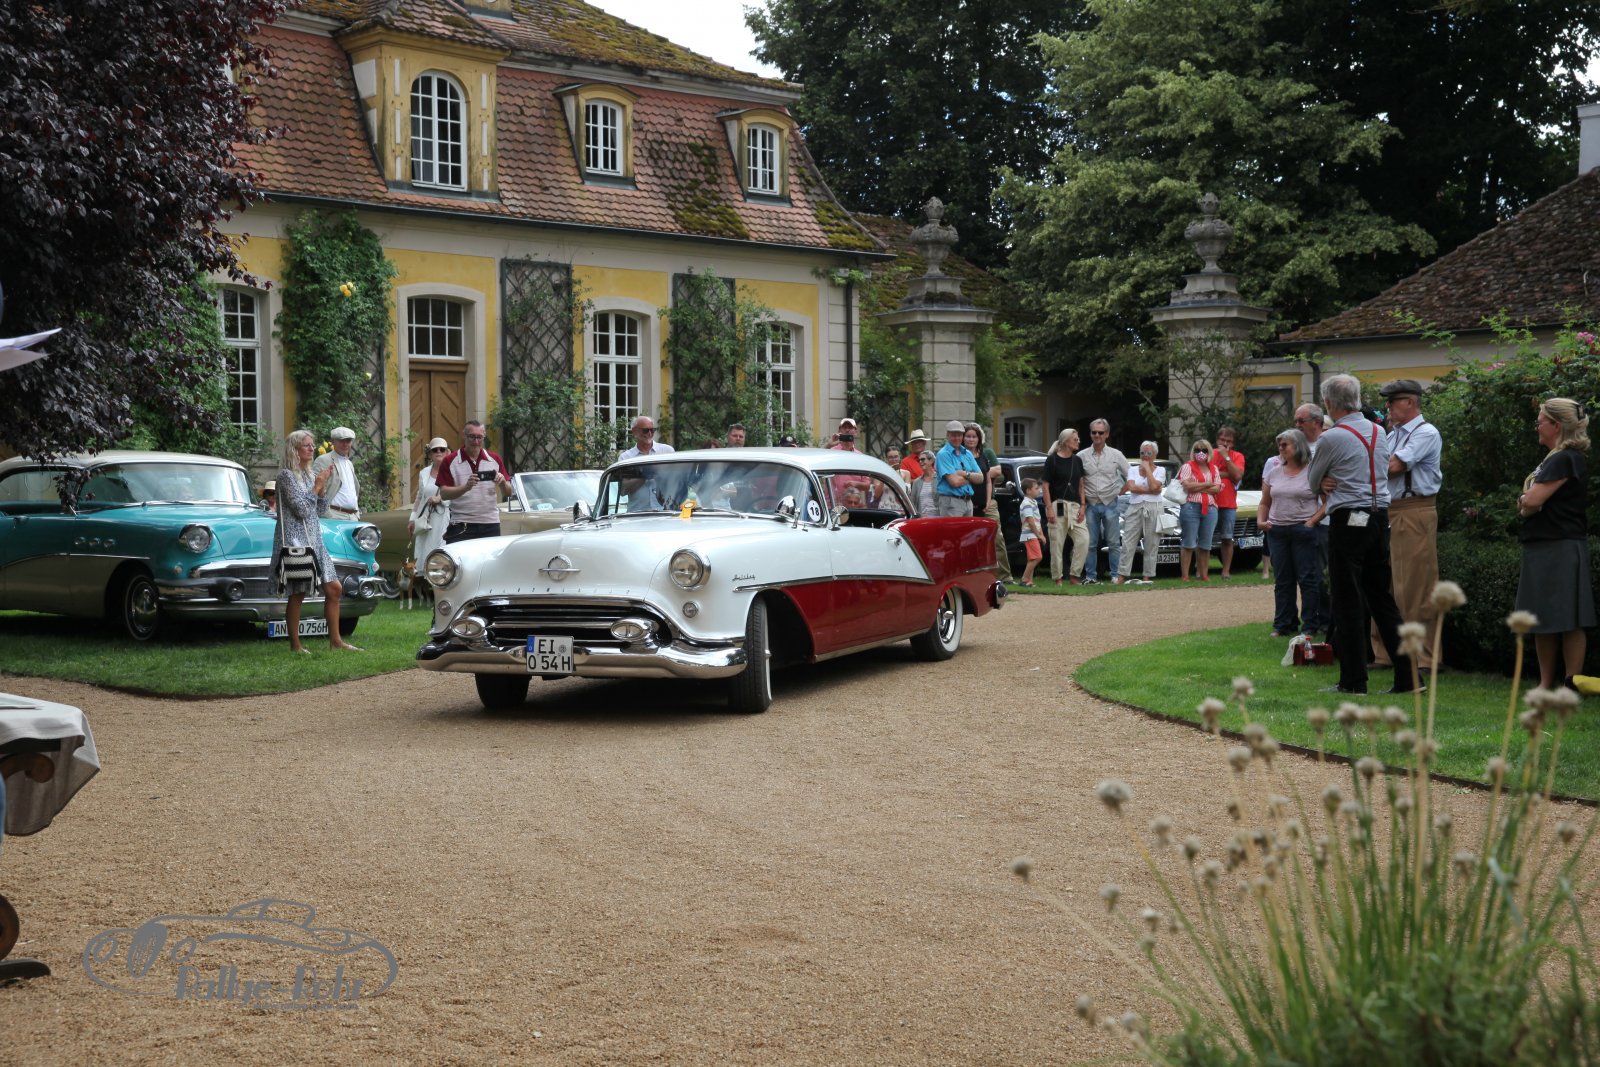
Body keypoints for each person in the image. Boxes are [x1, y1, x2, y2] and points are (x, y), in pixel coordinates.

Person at [1303, 373, 1416, 695]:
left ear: (1329, 403)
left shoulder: (1332, 437)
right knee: (1382, 598)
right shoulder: (1380, 431)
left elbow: (1312, 481)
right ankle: (1409, 677)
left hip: (1349, 518)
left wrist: (1325, 481)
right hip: (1379, 517)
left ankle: (1353, 681)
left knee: (1347, 599)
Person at [1514, 398, 1594, 691]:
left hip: (1560, 546)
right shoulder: (1553, 458)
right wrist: (1528, 503)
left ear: (1556, 425)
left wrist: (1528, 502)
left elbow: (1532, 500)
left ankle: (1571, 682)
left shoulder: (1565, 458)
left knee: (1569, 618)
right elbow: (1527, 505)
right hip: (1543, 545)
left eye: (1540, 422)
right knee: (1542, 617)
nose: (1537, 427)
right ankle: (1546, 683)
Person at [1374, 378, 1443, 665]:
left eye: (1392, 401)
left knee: (1416, 586)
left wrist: (1363, 467)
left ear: (1410, 402)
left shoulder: (1425, 432)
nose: (1387, 406)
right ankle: (1386, 653)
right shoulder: (1393, 435)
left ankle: (1422, 657)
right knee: (1384, 583)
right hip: (1389, 510)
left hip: (1414, 510)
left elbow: (1393, 466)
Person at [273, 429, 360, 653]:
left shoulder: (311, 474)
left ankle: (336, 641)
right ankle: (296, 645)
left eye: (312, 445)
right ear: (294, 449)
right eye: (306, 445)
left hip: (315, 539)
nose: (312, 449)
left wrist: (321, 489)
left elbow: (319, 510)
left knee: (334, 588)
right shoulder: (286, 476)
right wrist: (317, 486)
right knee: (298, 593)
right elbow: (301, 510)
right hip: (297, 541)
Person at [1259, 429, 1325, 637]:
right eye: (1279, 445)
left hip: (1302, 531)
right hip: (1277, 531)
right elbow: (1265, 502)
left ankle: (1310, 625)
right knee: (1282, 579)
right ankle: (1283, 623)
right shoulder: (1274, 472)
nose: (1281, 448)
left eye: (1285, 444)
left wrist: (1312, 521)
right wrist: (1261, 521)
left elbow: (1327, 502)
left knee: (1307, 578)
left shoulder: (1312, 472)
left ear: (1298, 446)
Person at [437, 420, 509, 543]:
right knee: (458, 557)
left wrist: (502, 483)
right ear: (464, 435)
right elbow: (444, 494)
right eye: (472, 437)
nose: (476, 441)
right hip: (461, 524)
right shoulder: (450, 461)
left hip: (490, 524)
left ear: (484, 436)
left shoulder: (495, 459)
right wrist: (466, 487)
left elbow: (508, 492)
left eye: (479, 437)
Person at [1080, 419, 1128, 585]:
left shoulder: (1116, 455)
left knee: (1114, 542)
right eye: (1094, 432)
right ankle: (1090, 576)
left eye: (1100, 432)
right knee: (1090, 543)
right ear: (1090, 434)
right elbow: (1078, 480)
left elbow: (1130, 474)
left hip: (1110, 503)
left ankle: (1115, 575)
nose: (1097, 435)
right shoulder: (1082, 456)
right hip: (1090, 504)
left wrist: (1122, 490)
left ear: (1107, 434)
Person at [965, 423, 1012, 583]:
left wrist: (987, 500)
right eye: (968, 436)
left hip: (987, 503)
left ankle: (1005, 576)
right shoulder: (960, 455)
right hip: (967, 504)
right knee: (970, 540)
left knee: (997, 538)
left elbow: (993, 475)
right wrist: (977, 475)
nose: (971, 439)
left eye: (974, 436)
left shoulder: (986, 454)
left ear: (979, 438)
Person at [1043, 428, 1088, 586]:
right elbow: (1045, 486)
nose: (1078, 441)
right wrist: (1049, 508)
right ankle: (1058, 578)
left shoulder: (1077, 460)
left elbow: (1081, 485)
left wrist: (1083, 505)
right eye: (1075, 439)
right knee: (1057, 544)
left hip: (1075, 506)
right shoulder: (1052, 460)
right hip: (1058, 505)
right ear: (1066, 441)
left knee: (1084, 540)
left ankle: (1075, 575)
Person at [1117, 441, 1164, 585]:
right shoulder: (1132, 470)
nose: (1145, 456)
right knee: (1128, 541)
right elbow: (1132, 487)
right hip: (1135, 506)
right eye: (1142, 453)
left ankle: (1147, 576)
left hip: (1154, 507)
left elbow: (1156, 486)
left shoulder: (1160, 470)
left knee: (1151, 542)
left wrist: (1148, 469)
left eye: (1148, 453)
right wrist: (1152, 490)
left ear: (1154, 455)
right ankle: (1122, 574)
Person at [1177, 439, 1222, 581]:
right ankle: (1185, 575)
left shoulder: (1213, 468)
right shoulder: (1187, 466)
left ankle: (1204, 575)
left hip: (1210, 508)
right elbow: (1187, 486)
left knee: (1206, 544)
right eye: (1197, 450)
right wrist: (1207, 484)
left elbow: (1217, 488)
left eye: (1204, 450)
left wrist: (1198, 486)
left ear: (1209, 452)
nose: (1200, 452)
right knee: (1189, 542)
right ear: (1193, 452)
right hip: (1191, 506)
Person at [407, 437, 450, 568]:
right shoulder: (424, 473)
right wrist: (412, 519)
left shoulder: (452, 471)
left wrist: (440, 498)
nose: (439, 452)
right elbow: (420, 497)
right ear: (430, 454)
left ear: (447, 452)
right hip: (426, 519)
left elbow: (458, 493)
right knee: (424, 552)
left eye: (442, 449)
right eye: (435, 450)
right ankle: (425, 577)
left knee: (442, 550)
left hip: (445, 518)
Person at [1212, 426, 1246, 578]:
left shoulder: (1237, 456)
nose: (1225, 443)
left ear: (1233, 443)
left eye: (1229, 441)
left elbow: (1237, 476)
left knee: (1227, 538)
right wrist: (1227, 474)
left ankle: (1226, 571)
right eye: (1222, 440)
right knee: (1204, 538)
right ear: (1217, 440)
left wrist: (1226, 457)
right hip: (1210, 502)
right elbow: (1205, 474)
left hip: (1228, 504)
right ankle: (1201, 571)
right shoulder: (1209, 454)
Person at [933, 420, 982, 516]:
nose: (957, 438)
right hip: (951, 502)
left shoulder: (967, 453)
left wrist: (963, 473)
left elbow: (981, 478)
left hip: (968, 502)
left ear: (962, 436)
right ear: (948, 435)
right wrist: (972, 478)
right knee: (953, 527)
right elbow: (954, 482)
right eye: (953, 435)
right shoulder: (943, 454)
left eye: (959, 435)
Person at [312, 425, 361, 520]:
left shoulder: (349, 463)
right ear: (333, 441)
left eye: (348, 441)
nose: (345, 444)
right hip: (333, 515)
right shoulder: (323, 460)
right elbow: (314, 487)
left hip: (353, 516)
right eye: (341, 440)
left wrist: (357, 513)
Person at [1017, 478, 1044, 586]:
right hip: (1029, 534)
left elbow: (1037, 521)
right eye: (1036, 488)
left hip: (1033, 534)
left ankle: (1029, 581)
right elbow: (1031, 522)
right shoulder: (1026, 503)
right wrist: (1039, 535)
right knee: (1037, 557)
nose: (1039, 490)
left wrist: (1041, 534)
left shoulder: (1033, 502)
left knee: (1032, 558)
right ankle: (1024, 579)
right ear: (1028, 491)